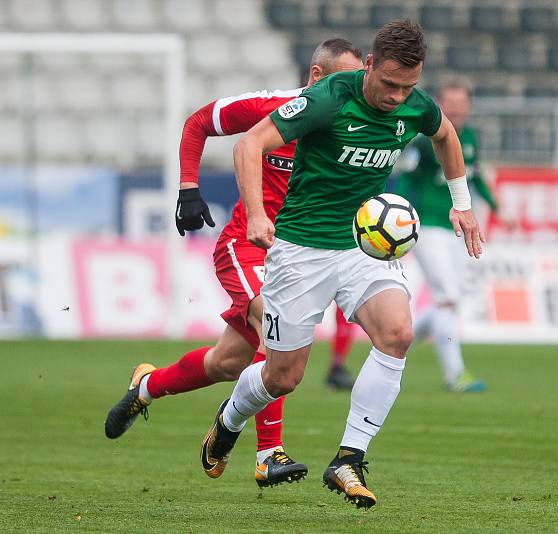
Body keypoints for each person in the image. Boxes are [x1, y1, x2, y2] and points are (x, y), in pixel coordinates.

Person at [199, 20, 485, 509]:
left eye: (407, 87)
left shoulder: (416, 104)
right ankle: (229, 419)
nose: (397, 97)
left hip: (362, 244)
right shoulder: (328, 98)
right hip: (302, 247)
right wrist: (257, 214)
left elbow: (446, 135)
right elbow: (250, 145)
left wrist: (461, 202)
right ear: (369, 65)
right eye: (389, 84)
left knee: (397, 334)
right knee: (283, 376)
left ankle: (350, 456)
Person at [104, 38, 363, 489]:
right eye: (344, 81)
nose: (352, 92)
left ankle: (146, 386)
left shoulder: (350, 127)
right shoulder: (274, 108)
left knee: (228, 363)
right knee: (274, 325)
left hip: (296, 256)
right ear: (317, 78)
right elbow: (200, 121)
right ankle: (268, 454)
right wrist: (188, 187)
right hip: (246, 246)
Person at [395, 77, 504, 392]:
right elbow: (406, 179)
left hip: (457, 229)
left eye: (461, 103)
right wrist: (402, 217)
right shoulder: (423, 140)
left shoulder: (468, 137)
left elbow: (476, 178)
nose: (456, 109)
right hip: (428, 226)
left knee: (448, 301)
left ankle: (391, 343)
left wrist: (499, 209)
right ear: (438, 105)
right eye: (449, 103)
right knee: (447, 298)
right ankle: (454, 375)